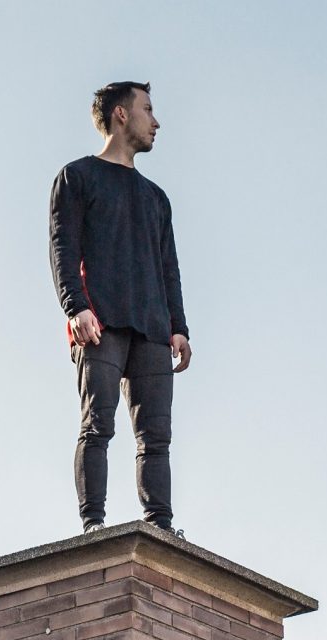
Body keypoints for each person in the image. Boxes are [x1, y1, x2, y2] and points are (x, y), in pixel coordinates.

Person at [49, 81, 192, 536]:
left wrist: (179, 327)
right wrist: (76, 308)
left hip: (152, 329)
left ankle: (162, 529)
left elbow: (168, 266)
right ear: (121, 115)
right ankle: (93, 526)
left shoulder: (156, 198)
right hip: (100, 322)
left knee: (157, 440)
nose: (157, 121)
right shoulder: (77, 177)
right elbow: (63, 249)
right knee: (98, 426)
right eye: (147, 109)